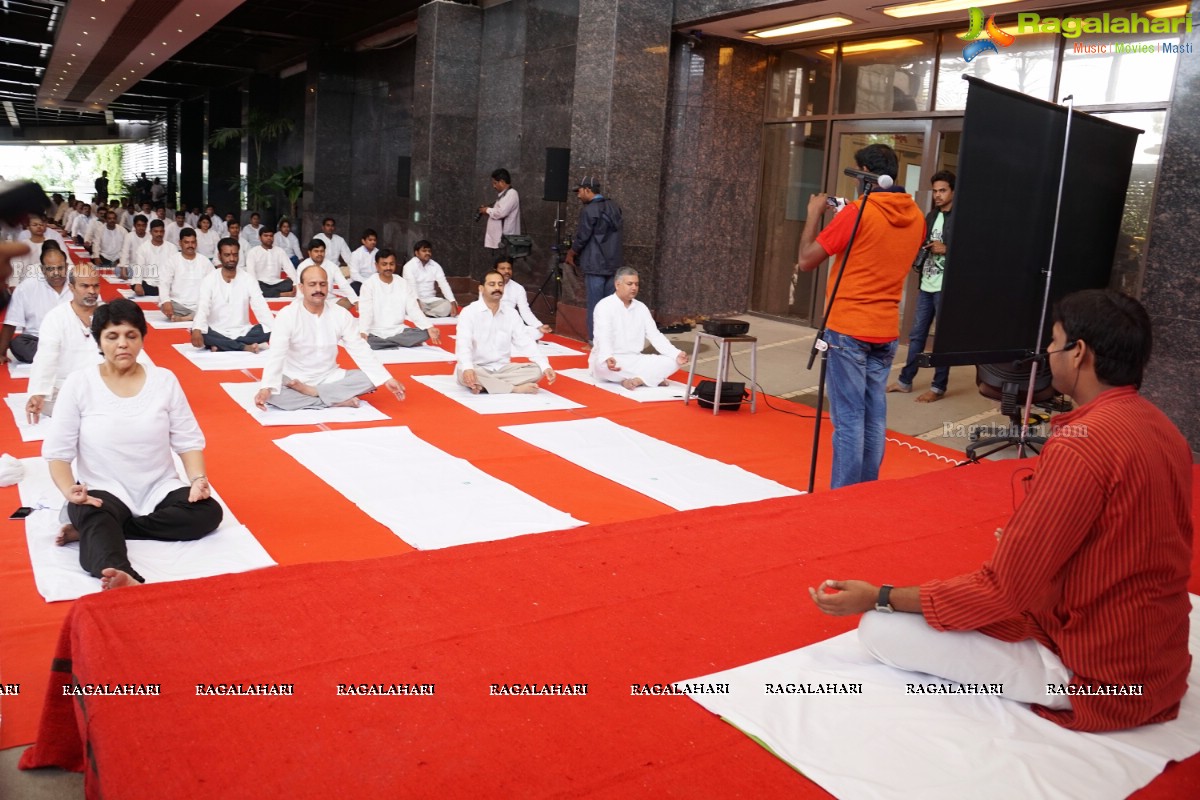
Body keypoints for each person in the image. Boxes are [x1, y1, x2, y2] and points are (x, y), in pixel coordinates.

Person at [810, 290, 1193, 733]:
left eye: (1053, 342)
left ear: (1080, 353)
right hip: (1158, 661)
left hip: (1104, 676)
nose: (1048, 353)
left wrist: (881, 596)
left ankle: (1060, 683)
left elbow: (1003, 592)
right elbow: (1125, 539)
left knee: (880, 630)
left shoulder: (1081, 445)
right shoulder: (1161, 427)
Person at [43, 299, 223, 589]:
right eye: (112, 337)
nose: (122, 344)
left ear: (141, 338)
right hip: (104, 490)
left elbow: (187, 440)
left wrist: (198, 479)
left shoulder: (164, 380)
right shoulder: (79, 384)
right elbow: (57, 454)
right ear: (99, 341)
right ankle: (121, 573)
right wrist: (70, 492)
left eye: (131, 335)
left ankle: (110, 529)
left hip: (158, 487)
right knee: (93, 514)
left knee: (208, 512)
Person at [794, 143, 925, 489]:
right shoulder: (917, 217)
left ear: (867, 173)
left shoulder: (858, 213)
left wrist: (813, 214)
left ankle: (841, 500)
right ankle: (866, 493)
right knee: (874, 418)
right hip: (885, 330)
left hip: (848, 328)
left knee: (849, 420)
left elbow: (807, 259)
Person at [254, 264, 405, 411]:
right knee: (274, 395)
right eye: (312, 284)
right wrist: (266, 388)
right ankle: (335, 400)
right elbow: (276, 354)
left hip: (330, 376)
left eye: (322, 284)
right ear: (301, 288)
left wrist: (386, 379)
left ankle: (314, 393)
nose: (318, 289)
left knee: (371, 378)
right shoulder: (287, 315)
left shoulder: (340, 314)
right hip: (294, 377)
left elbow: (360, 348)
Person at [25, 265, 150, 422]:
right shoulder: (56, 317)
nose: (92, 291)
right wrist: (38, 392)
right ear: (71, 287)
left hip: (109, 383)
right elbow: (45, 357)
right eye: (85, 286)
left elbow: (132, 348)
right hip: (67, 388)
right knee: (53, 402)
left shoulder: (110, 313)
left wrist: (150, 379)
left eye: (96, 285)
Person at [888, 171, 956, 403]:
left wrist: (947, 249)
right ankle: (905, 381)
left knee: (943, 339)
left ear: (953, 191)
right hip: (926, 283)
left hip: (946, 288)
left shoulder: (961, 217)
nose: (937, 195)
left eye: (943, 190)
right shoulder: (931, 215)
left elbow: (977, 251)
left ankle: (938, 387)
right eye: (935, 191)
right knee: (916, 335)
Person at [455, 269, 554, 395]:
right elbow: (464, 344)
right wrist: (468, 368)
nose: (497, 288)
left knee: (537, 371)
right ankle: (514, 388)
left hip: (503, 368)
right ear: (481, 288)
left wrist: (545, 365)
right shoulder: (469, 312)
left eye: (500, 284)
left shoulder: (511, 313)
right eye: (492, 284)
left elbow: (524, 341)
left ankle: (485, 386)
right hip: (477, 367)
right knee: (463, 372)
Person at [591, 268, 688, 389]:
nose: (634, 288)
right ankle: (651, 378)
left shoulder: (641, 307)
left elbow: (655, 335)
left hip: (635, 359)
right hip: (612, 359)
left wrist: (675, 353)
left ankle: (638, 380)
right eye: (629, 284)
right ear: (617, 284)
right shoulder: (604, 306)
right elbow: (603, 335)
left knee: (674, 361)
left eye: (636, 284)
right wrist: (607, 356)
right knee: (602, 366)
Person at [565, 177, 622, 343]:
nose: (578, 195)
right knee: (611, 307)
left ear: (588, 190)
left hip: (596, 265)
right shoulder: (615, 207)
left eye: (579, 191)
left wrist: (572, 252)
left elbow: (583, 236)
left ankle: (594, 341)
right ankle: (611, 342)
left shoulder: (589, 210)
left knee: (596, 307)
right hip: (613, 265)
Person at [190, 238, 273, 353]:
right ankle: (244, 347)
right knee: (199, 330)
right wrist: (197, 328)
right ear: (219, 256)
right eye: (227, 255)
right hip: (216, 330)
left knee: (271, 330)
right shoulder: (209, 279)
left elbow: (261, 306)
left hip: (243, 331)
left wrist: (276, 329)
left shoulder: (248, 279)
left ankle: (222, 345)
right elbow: (203, 306)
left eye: (235, 255)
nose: (232, 259)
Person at [358, 248, 441, 349]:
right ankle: (394, 342)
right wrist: (363, 332)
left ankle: (387, 343)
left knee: (425, 333)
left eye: (391, 264)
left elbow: (413, 309)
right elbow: (366, 311)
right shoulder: (369, 284)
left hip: (398, 331)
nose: (388, 267)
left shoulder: (403, 283)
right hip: (375, 332)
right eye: (384, 264)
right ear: (377, 266)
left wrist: (429, 326)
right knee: (361, 339)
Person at [0, 245, 70, 363]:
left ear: (67, 266)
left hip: (71, 339)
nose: (56, 273)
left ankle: (57, 357)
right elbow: (11, 322)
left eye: (60, 268)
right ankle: (66, 357)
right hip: (38, 342)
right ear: (42, 269)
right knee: (18, 344)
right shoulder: (26, 287)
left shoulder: (79, 284)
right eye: (50, 269)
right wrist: (1, 353)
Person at [159, 229, 214, 321]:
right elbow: (164, 282)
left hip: (199, 304)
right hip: (178, 305)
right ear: (180, 243)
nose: (190, 245)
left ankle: (185, 318)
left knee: (215, 306)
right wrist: (166, 301)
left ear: (196, 243)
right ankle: (194, 316)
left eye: (193, 242)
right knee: (164, 304)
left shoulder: (204, 261)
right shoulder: (173, 260)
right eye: (186, 242)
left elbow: (214, 282)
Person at [496, 256, 551, 340]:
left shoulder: (518, 288)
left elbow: (525, 311)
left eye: (509, 268)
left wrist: (539, 326)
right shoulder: (488, 285)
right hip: (491, 323)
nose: (506, 271)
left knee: (537, 333)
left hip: (509, 325)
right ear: (495, 270)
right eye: (502, 268)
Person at [402, 240, 458, 318]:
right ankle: (429, 313)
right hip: (415, 300)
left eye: (429, 251)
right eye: (424, 251)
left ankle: (427, 314)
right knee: (410, 305)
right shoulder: (409, 266)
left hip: (431, 300)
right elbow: (411, 286)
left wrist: (452, 302)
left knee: (448, 305)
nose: (427, 253)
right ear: (416, 253)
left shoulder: (435, 266)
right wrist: (417, 302)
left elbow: (444, 284)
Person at [297, 238, 357, 309]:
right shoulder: (303, 266)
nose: (319, 254)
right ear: (309, 253)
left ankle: (327, 312)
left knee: (348, 301)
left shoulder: (332, 266)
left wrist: (355, 300)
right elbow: (300, 289)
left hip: (329, 300)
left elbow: (343, 284)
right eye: (316, 251)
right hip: (310, 300)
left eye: (322, 251)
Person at [478, 168, 521, 259]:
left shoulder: (511, 194)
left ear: (501, 181)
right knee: (499, 266)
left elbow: (501, 213)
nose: (494, 186)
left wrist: (487, 210)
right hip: (500, 240)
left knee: (503, 266)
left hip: (505, 239)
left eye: (495, 183)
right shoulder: (504, 195)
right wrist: (487, 212)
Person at [246, 226, 297, 298]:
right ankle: (281, 294)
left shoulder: (280, 251)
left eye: (271, 236)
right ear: (260, 238)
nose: (269, 238)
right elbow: (251, 273)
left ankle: (270, 293)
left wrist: (295, 284)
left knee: (289, 283)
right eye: (266, 236)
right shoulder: (253, 252)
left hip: (277, 283)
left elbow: (289, 268)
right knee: (253, 286)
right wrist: (254, 285)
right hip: (261, 283)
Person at [132, 219, 176, 297]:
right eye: (156, 231)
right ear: (150, 232)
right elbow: (139, 267)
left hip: (166, 282)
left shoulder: (172, 248)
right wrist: (138, 284)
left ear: (164, 232)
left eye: (161, 231)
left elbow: (175, 268)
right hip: (148, 282)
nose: (159, 234)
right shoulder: (143, 248)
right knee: (136, 286)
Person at [347, 228, 379, 294]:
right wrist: (367, 283)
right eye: (370, 240)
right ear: (363, 241)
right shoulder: (356, 254)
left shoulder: (378, 253)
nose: (373, 242)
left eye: (374, 240)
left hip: (375, 282)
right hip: (360, 282)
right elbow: (354, 274)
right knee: (355, 288)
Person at [119, 214, 149, 281]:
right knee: (118, 270)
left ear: (146, 226)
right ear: (134, 225)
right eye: (139, 225)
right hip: (131, 267)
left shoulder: (150, 237)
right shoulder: (129, 236)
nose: (141, 227)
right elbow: (125, 253)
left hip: (146, 268)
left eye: (143, 225)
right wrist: (124, 267)